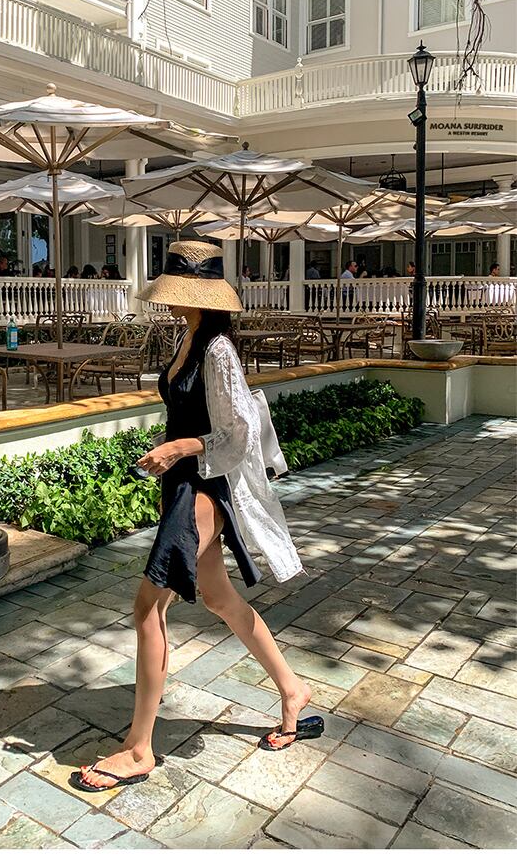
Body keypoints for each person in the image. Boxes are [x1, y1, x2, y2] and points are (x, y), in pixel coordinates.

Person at [72, 240, 313, 794]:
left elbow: (238, 434)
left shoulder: (218, 349)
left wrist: (181, 447)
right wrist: (171, 457)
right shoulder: (189, 335)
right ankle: (292, 689)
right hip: (183, 484)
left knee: (147, 607)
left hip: (204, 486)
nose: (170, 297)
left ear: (199, 295)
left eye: (179, 288)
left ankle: (139, 749)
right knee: (219, 598)